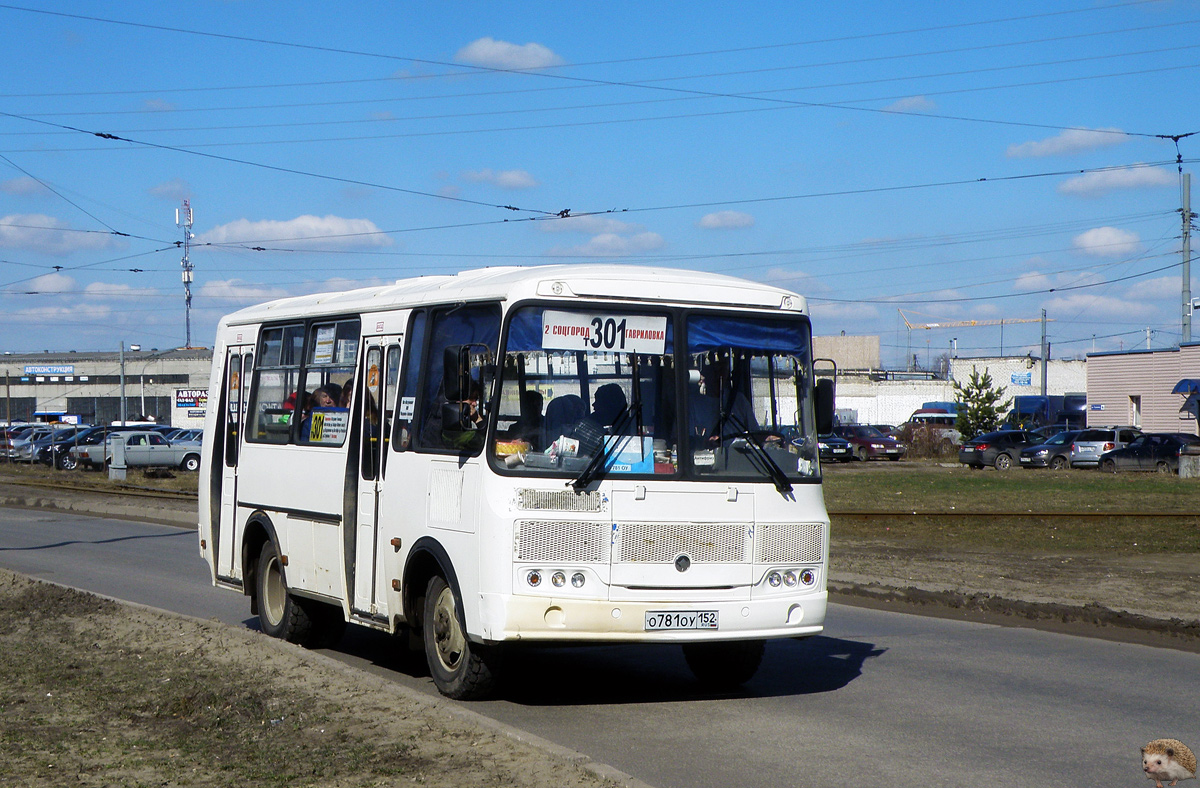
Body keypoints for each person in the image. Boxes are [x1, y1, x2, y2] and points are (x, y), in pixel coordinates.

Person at [573, 383, 627, 456]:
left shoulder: (629, 425)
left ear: (609, 405)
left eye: (598, 401)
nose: (593, 405)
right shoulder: (591, 422)